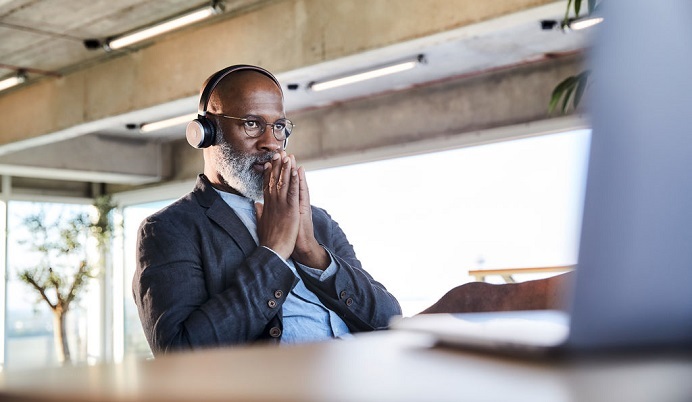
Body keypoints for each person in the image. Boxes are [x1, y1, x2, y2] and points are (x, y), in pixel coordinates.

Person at [133, 65, 401, 356]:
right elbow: (179, 355)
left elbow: (388, 320)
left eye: (279, 126)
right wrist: (273, 253)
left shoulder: (318, 220)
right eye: (251, 124)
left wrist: (312, 253)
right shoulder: (170, 229)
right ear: (206, 132)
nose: (271, 143)